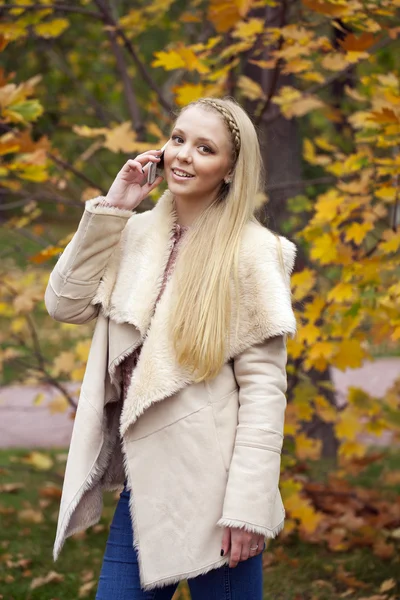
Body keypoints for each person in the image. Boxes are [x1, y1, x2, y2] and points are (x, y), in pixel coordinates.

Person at [45, 96, 297, 600]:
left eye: (205, 148)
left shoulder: (253, 252)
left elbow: (265, 392)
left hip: (219, 493)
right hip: (146, 486)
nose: (183, 155)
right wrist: (115, 207)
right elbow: (63, 304)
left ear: (229, 170)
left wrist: (246, 508)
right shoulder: (133, 232)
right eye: (178, 138)